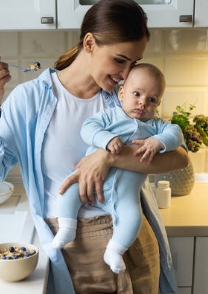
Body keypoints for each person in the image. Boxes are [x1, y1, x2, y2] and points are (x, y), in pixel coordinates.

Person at [0, 0, 188, 294]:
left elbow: (177, 157)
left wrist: (107, 155)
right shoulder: (32, 100)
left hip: (134, 242)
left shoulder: (124, 99)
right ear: (89, 43)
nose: (125, 73)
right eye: (119, 60)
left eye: (133, 63)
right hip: (76, 256)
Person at [51, 63, 184, 276]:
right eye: (137, 94)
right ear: (121, 93)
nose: (143, 102)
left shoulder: (156, 126)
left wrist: (158, 142)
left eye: (151, 100)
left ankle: (114, 251)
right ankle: (67, 228)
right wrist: (106, 139)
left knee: (133, 218)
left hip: (124, 196)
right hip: (90, 184)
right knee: (67, 190)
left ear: (158, 103)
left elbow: (176, 134)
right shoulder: (110, 116)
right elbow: (88, 128)